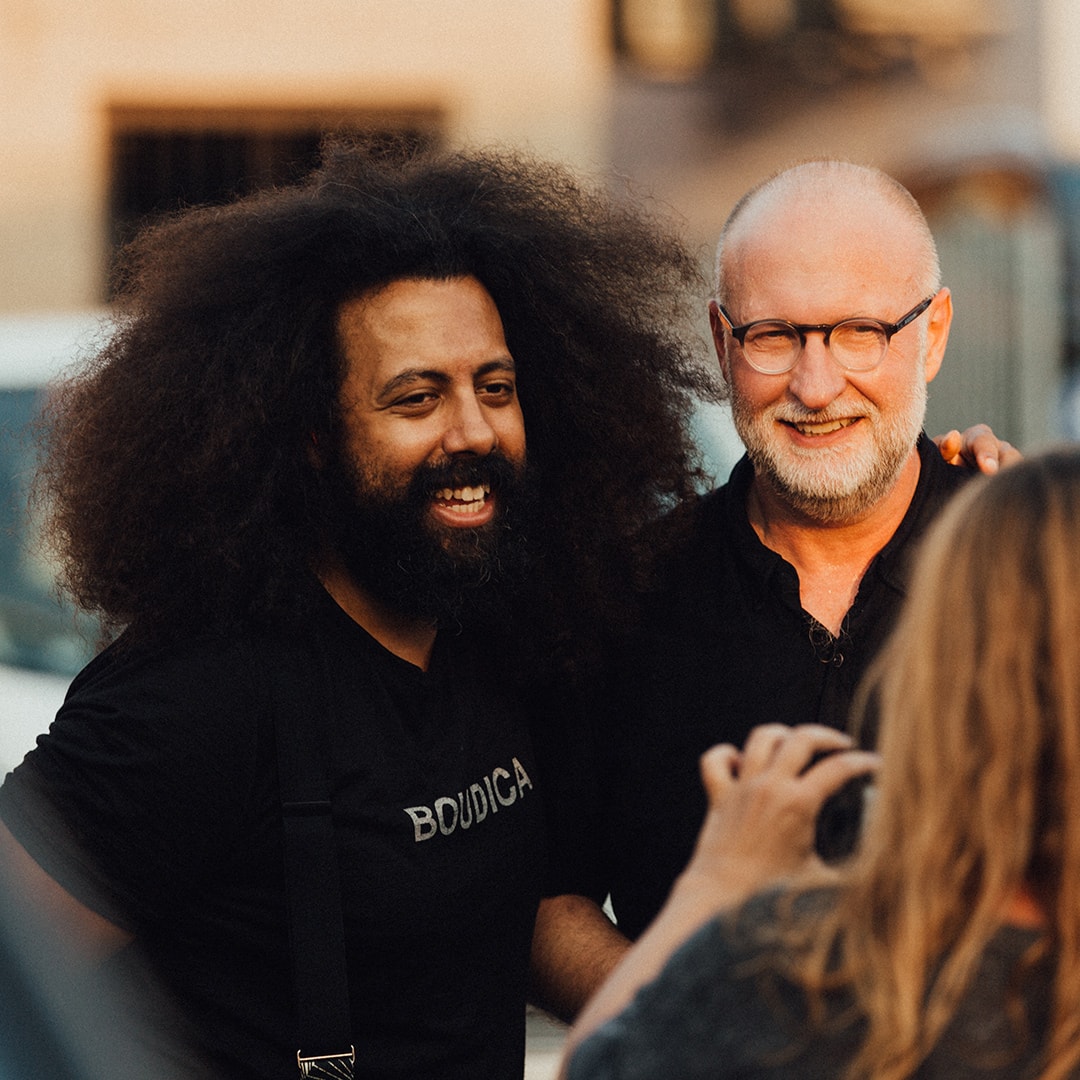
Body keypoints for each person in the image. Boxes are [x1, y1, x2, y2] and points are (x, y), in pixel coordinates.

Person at [0, 139, 718, 1080]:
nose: (473, 431)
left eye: (494, 388)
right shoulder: (193, 698)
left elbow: (527, 913)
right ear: (307, 437)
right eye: (416, 398)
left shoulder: (492, 630)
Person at [530, 159, 1021, 1017]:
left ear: (934, 333)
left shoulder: (1036, 573)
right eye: (775, 336)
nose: (816, 385)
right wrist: (688, 1041)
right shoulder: (617, 598)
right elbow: (547, 903)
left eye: (861, 331)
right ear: (723, 343)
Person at [559, 444, 1080, 1080]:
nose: (818, 385)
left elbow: (593, 1067)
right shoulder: (627, 589)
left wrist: (715, 883)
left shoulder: (827, 991)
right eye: (777, 336)